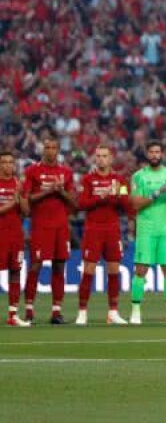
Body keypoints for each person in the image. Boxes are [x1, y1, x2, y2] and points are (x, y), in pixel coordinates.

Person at [129, 141, 166, 326]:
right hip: (146, 228)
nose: (154, 155)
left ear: (162, 154)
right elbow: (135, 204)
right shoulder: (138, 176)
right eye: (151, 152)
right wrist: (157, 193)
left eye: (157, 152)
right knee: (141, 270)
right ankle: (135, 312)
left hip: (165, 229)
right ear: (147, 154)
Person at [22, 132, 76, 324]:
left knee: (59, 266)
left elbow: (73, 201)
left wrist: (60, 191)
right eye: (47, 148)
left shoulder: (66, 172)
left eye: (53, 148)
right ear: (42, 149)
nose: (50, 151)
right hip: (40, 225)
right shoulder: (32, 171)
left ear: (58, 150)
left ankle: (56, 312)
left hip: (60, 226)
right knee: (35, 265)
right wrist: (49, 191)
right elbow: (27, 198)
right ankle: (29, 310)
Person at [75, 145, 131, 326]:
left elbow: (126, 205)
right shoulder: (88, 180)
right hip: (93, 229)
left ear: (111, 158)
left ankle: (113, 312)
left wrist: (118, 194)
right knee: (88, 270)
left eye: (104, 156)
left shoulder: (120, 181)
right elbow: (81, 204)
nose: (101, 159)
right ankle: (82, 312)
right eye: (98, 156)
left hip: (112, 230)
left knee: (114, 270)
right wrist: (102, 197)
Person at [1, 151, 30, 327]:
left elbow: (26, 212)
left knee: (15, 272)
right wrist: (13, 200)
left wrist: (22, 196)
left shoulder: (18, 184)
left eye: (11, 162)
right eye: (4, 162)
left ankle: (13, 314)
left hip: (15, 235)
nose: (8, 165)